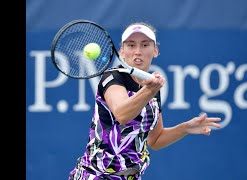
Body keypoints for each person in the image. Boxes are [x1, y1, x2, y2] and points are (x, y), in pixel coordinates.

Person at [68, 22, 221, 180]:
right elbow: (122, 114)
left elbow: (155, 140)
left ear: (155, 51)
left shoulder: (152, 88)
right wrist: (149, 90)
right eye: (131, 45)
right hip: (95, 176)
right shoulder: (113, 78)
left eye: (145, 45)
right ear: (122, 51)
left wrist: (185, 128)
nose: (138, 52)